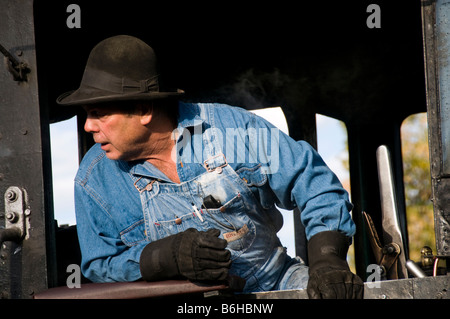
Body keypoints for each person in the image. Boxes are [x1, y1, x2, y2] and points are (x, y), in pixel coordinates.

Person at [57, 35, 363, 298]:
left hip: (276, 285)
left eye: (98, 113)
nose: (88, 127)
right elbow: (100, 264)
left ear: (143, 109)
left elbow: (312, 183)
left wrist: (328, 259)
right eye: (87, 115)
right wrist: (165, 258)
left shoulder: (224, 130)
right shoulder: (95, 178)